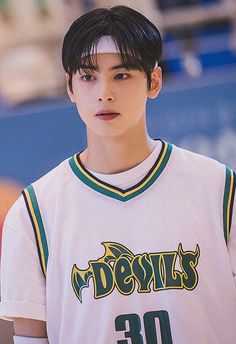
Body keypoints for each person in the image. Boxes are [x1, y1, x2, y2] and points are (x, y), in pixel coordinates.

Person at [0, 5, 236, 344]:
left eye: (121, 75)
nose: (104, 93)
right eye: (88, 76)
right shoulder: (33, 212)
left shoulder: (219, 188)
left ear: (154, 81)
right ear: (69, 87)